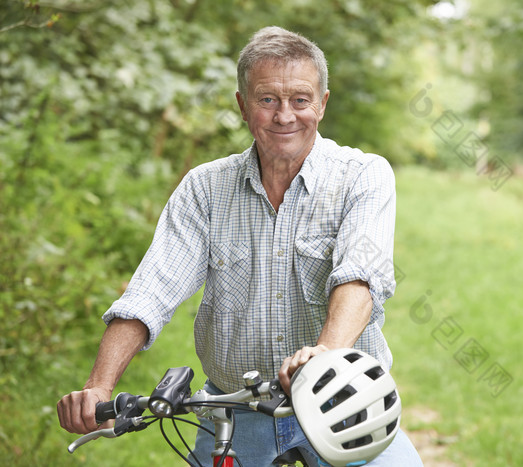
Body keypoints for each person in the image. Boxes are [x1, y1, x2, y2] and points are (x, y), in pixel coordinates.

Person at [57, 26, 423, 466]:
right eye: (268, 99)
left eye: (300, 100)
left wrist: (323, 358)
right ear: (243, 106)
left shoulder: (363, 176)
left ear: (322, 104)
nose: (285, 115)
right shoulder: (205, 189)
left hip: (346, 409)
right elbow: (151, 291)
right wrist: (99, 386)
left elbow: (359, 277)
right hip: (233, 417)